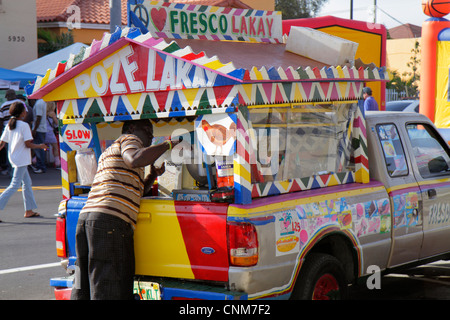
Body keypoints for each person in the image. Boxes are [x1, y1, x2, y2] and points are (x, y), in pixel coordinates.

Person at [71, 119, 179, 300]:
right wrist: (168, 144)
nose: (151, 136)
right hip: (109, 223)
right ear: (131, 128)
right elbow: (134, 159)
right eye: (147, 130)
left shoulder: (114, 151)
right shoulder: (129, 140)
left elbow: (136, 190)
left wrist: (152, 175)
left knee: (84, 284)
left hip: (88, 220)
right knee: (109, 286)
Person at [0, 102, 48, 223]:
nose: (26, 112)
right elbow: (28, 144)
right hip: (21, 159)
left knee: (27, 183)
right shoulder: (24, 125)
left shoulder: (9, 125)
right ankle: (28, 210)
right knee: (15, 185)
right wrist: (41, 146)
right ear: (22, 112)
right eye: (25, 110)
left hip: (15, 158)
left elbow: (2, 143)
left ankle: (29, 210)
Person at [0, 89, 26, 175]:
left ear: (7, 97)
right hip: (21, 129)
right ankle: (20, 171)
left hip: (8, 129)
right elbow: (27, 114)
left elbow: (1, 120)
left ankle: (12, 171)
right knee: (20, 150)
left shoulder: (3, 106)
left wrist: (1, 132)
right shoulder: (20, 103)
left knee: (10, 151)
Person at [31, 98, 47, 173]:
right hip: (42, 128)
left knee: (39, 149)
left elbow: (38, 117)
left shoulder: (38, 103)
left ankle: (40, 166)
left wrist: (34, 129)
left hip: (39, 129)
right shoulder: (42, 102)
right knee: (40, 148)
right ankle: (41, 166)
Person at [45, 101, 60, 168]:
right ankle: (57, 162)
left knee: (44, 147)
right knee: (55, 147)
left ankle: (35, 160)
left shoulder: (43, 113)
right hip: (50, 132)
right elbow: (57, 123)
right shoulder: (52, 113)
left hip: (43, 132)